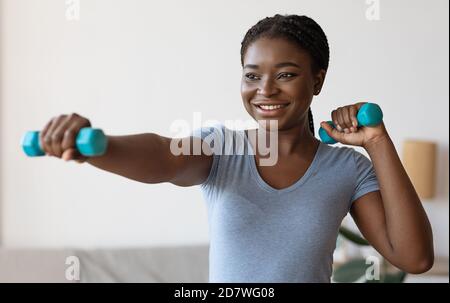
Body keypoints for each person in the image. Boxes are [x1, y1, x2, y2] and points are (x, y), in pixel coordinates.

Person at [38, 14, 434, 283]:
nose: (265, 90)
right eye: (252, 75)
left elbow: (413, 258)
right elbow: (162, 156)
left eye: (286, 75)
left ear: (317, 80)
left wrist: (378, 142)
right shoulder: (221, 147)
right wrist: (97, 147)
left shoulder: (347, 168)